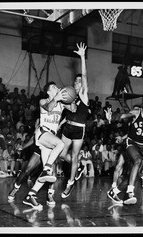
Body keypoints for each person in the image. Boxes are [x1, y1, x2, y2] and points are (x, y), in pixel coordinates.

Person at [22, 80, 74, 209]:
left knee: (48, 174)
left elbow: (73, 109)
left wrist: (70, 97)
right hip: (42, 133)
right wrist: (56, 98)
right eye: (54, 87)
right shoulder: (43, 101)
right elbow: (49, 108)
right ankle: (46, 169)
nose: (57, 88)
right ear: (48, 91)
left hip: (49, 139)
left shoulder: (61, 104)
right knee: (60, 144)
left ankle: (31, 195)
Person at [58, 42, 90, 199]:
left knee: (75, 156)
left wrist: (82, 57)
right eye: (76, 81)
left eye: (79, 81)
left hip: (78, 129)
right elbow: (67, 114)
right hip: (67, 128)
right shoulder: (71, 98)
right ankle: (77, 168)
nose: (77, 83)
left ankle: (70, 183)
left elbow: (84, 76)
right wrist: (60, 124)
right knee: (62, 155)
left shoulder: (84, 95)